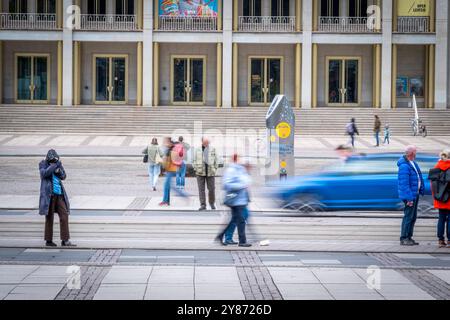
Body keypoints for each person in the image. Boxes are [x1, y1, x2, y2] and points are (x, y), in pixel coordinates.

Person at [39, 149, 75, 247]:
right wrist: (54, 166)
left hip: (59, 194)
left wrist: (59, 171)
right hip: (48, 195)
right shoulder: (43, 164)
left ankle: (65, 240)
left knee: (64, 215)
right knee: (49, 217)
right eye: (52, 161)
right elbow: (44, 174)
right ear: (48, 159)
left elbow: (64, 176)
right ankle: (48, 241)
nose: (54, 162)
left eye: (55, 160)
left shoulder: (58, 164)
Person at [217, 154, 252, 247]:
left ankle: (221, 236)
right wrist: (241, 186)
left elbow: (244, 181)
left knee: (235, 219)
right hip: (235, 200)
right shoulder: (231, 170)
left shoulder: (239, 169)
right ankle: (242, 241)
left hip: (240, 199)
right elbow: (226, 184)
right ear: (235, 159)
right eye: (238, 159)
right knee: (240, 220)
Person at [397, 145, 425, 246]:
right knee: (408, 216)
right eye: (415, 152)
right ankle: (404, 238)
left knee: (413, 217)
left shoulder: (412, 163)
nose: (416, 153)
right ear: (411, 153)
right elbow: (404, 184)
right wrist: (409, 198)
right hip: (410, 196)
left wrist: (420, 189)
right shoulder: (404, 166)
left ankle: (409, 237)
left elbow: (418, 177)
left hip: (414, 194)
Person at [430, 150, 450, 248]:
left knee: (441, 219)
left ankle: (440, 240)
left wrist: (437, 195)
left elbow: (432, 184)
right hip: (449, 199)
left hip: (440, 198)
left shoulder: (436, 167)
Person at [193, 137, 219, 211]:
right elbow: (194, 160)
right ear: (202, 142)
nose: (207, 143)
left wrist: (214, 169)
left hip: (210, 172)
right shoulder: (197, 149)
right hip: (200, 172)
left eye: (208, 142)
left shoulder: (213, 149)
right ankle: (203, 204)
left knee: (211, 189)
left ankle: (212, 203)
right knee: (201, 190)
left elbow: (216, 160)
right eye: (206, 142)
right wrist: (196, 168)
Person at [159, 137, 183, 206]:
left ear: (169, 142)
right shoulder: (170, 149)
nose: (164, 143)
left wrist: (165, 163)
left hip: (171, 169)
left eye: (165, 142)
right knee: (168, 186)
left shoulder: (172, 149)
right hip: (170, 169)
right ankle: (167, 201)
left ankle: (183, 195)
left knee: (167, 186)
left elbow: (172, 160)